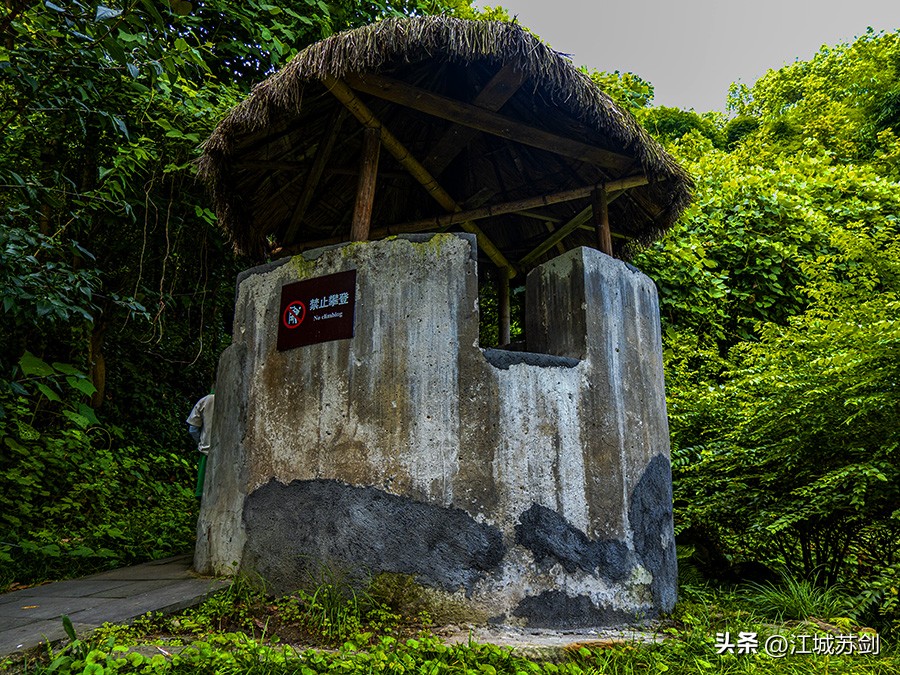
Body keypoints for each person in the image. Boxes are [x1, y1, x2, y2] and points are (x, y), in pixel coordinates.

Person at [186, 391, 215, 498]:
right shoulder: (234, 399)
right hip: (227, 453)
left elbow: (193, 429)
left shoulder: (205, 401)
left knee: (203, 490)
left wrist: (201, 442)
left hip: (206, 449)